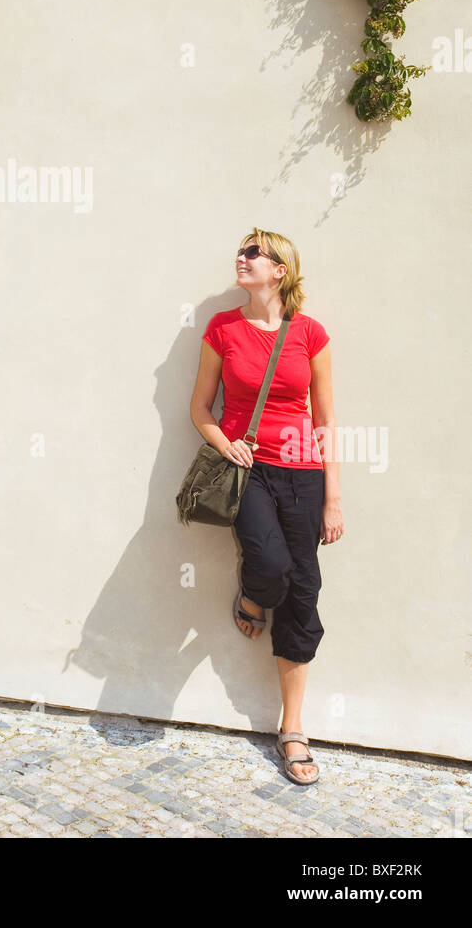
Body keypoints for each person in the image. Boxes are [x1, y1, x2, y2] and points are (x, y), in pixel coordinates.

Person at [189, 227, 343, 785]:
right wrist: (222, 440)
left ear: (280, 269)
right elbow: (200, 406)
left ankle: (293, 728)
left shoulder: (311, 334)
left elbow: (325, 422)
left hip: (304, 473)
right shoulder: (222, 328)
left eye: (254, 252)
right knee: (271, 569)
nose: (242, 257)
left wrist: (333, 497)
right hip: (248, 469)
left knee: (303, 592)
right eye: (241, 249)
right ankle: (254, 597)